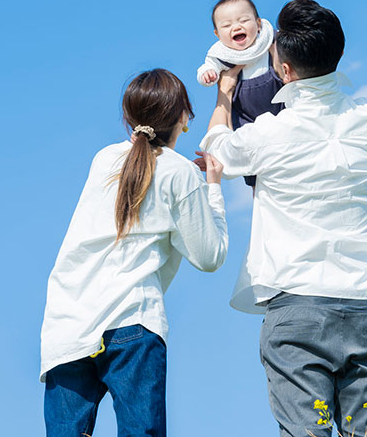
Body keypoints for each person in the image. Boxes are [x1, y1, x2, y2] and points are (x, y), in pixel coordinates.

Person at [199, 0, 367, 437]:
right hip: (366, 307)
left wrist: (225, 95)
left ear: (284, 73)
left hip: (296, 303)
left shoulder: (272, 132)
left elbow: (217, 146)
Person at [41, 69, 228, 437]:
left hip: (68, 324)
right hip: (132, 320)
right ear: (184, 118)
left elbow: (143, 183)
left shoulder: (104, 159)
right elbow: (210, 256)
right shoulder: (180, 174)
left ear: (128, 117)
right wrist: (212, 190)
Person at [196, 0, 283, 186]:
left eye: (244, 20)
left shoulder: (268, 42)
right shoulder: (222, 55)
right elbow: (206, 67)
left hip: (278, 106)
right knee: (253, 170)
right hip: (245, 117)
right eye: (226, 26)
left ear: (259, 24)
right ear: (217, 35)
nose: (236, 27)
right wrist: (208, 74)